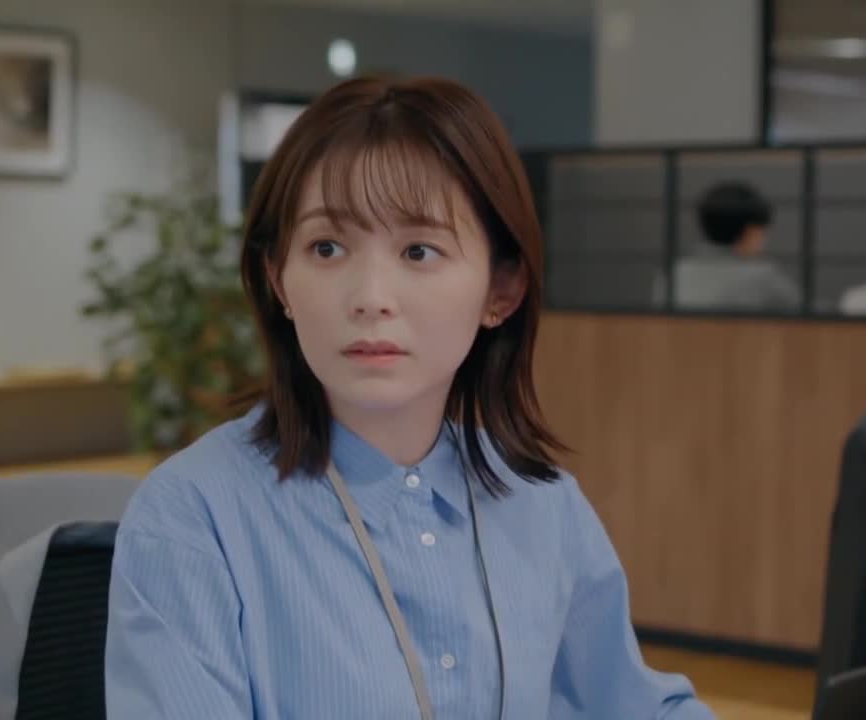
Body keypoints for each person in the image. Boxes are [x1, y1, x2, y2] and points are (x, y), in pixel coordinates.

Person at [104, 76, 715, 720]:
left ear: (501, 290)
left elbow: (637, 707)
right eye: (327, 248)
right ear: (278, 279)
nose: (371, 297)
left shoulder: (542, 504)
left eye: (419, 250)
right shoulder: (193, 517)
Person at [656, 181, 800, 312]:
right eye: (762, 231)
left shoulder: (674, 275)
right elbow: (802, 315)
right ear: (750, 231)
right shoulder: (763, 277)